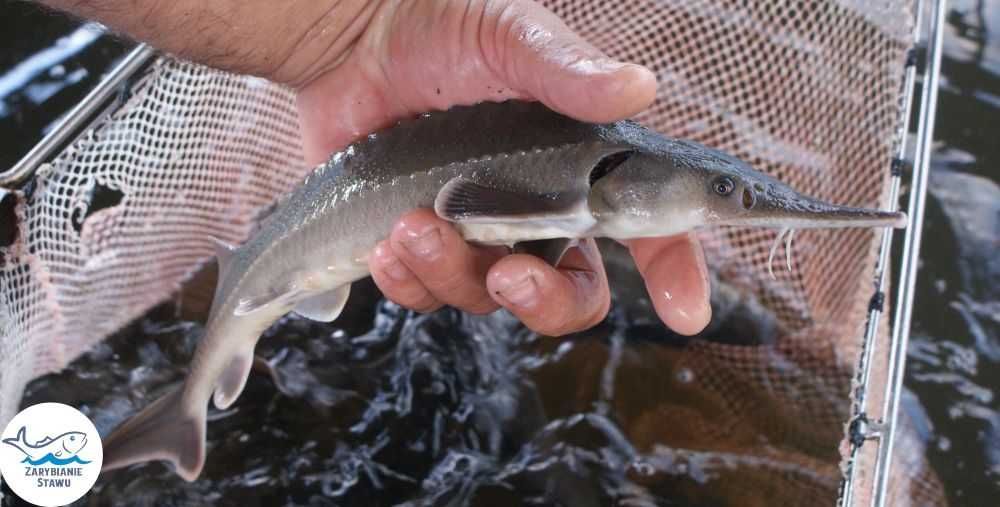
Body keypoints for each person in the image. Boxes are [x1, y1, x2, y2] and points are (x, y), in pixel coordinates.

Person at [41, 0, 712, 336]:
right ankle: (195, 398)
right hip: (271, 257)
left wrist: (342, 26)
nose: (726, 198)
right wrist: (346, 24)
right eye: (722, 189)